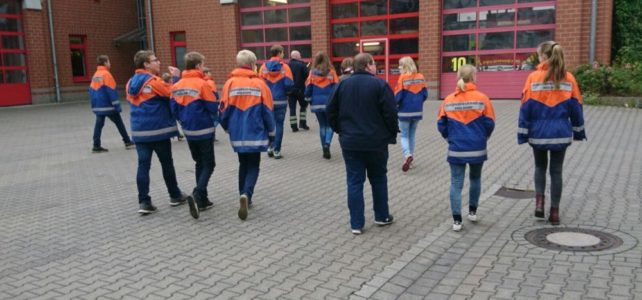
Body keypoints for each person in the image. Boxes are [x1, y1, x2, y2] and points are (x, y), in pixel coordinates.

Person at [327, 53, 398, 235]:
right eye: (374, 64)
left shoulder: (342, 84)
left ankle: (356, 224)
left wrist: (340, 130)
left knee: (354, 181)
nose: (376, 67)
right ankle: (381, 216)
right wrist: (391, 134)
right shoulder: (380, 85)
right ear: (367, 65)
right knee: (379, 179)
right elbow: (391, 113)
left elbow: (330, 111)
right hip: (376, 143)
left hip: (350, 142)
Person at [518, 41, 586, 225]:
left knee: (540, 167)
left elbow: (525, 108)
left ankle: (539, 203)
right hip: (560, 133)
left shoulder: (533, 78)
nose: (538, 58)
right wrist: (579, 131)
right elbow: (576, 108)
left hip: (538, 133)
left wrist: (522, 133)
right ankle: (554, 212)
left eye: (539, 55)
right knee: (556, 171)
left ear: (544, 57)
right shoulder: (569, 78)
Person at [126, 50, 191, 215]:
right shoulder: (154, 82)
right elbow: (174, 94)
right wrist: (176, 78)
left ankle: (144, 201)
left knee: (143, 165)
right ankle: (175, 195)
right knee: (166, 163)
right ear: (146, 64)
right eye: (155, 60)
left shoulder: (130, 83)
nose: (159, 62)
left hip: (139, 132)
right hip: (158, 131)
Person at [437, 64, 495, 232]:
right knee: (475, 179)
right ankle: (473, 212)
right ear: (474, 77)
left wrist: (449, 138)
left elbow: (441, 124)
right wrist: (483, 137)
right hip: (477, 147)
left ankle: (456, 220)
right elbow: (490, 122)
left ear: (458, 77)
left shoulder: (449, 99)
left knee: (456, 182)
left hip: (456, 148)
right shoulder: (482, 98)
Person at [220, 50, 275, 221]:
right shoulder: (260, 85)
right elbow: (267, 111)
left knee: (243, 164)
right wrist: (272, 133)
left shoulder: (229, 83)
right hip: (256, 131)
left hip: (237, 132)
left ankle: (241, 194)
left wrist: (227, 127)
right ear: (253, 64)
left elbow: (223, 110)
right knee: (254, 165)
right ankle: (247, 194)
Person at [170, 52, 218, 219]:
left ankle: (203, 200)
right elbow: (212, 106)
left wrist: (183, 121)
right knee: (209, 163)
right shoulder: (202, 84)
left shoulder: (177, 85)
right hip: (204, 129)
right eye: (203, 64)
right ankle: (198, 194)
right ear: (198, 65)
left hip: (188, 130)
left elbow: (173, 109)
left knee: (199, 162)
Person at [88, 55, 134, 153]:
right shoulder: (106, 74)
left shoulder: (96, 75)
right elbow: (111, 91)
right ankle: (127, 141)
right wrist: (117, 106)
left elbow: (91, 90)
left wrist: (93, 104)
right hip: (108, 105)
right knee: (119, 123)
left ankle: (96, 145)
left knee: (98, 125)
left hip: (98, 105)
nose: (110, 63)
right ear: (105, 63)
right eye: (109, 61)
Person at [258, 45, 294, 159]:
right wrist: (287, 92)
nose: (283, 55)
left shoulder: (263, 67)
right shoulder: (285, 67)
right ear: (279, 53)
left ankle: (270, 147)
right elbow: (289, 84)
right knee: (279, 125)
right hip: (281, 100)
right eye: (283, 52)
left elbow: (259, 84)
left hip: (267, 101)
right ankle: (277, 150)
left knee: (269, 124)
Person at [394, 57, 428, 172]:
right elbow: (425, 94)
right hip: (417, 111)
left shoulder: (402, 78)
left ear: (404, 66)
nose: (398, 67)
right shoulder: (421, 77)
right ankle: (410, 161)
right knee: (412, 135)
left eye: (400, 65)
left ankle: (407, 155)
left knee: (404, 135)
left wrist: (394, 105)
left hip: (404, 111)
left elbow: (398, 96)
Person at [305, 52, 339, 159]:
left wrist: (307, 99)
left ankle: (323, 147)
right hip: (329, 103)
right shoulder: (332, 73)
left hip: (316, 103)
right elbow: (336, 88)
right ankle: (327, 144)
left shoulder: (312, 73)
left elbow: (308, 88)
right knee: (330, 125)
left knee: (322, 126)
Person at [288, 50, 310, 132]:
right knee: (303, 106)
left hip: (290, 90)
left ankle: (293, 126)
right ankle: (303, 123)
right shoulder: (302, 65)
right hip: (301, 90)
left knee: (292, 108)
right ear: (297, 56)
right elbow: (307, 75)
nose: (301, 57)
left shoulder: (287, 65)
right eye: (300, 55)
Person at [162, 72, 185, 141]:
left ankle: (177, 134)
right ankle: (178, 134)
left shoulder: (163, 86)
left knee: (171, 121)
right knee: (178, 120)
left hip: (166, 107)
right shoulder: (172, 87)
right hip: (172, 107)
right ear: (170, 80)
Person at [203, 67, 221, 142]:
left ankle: (210, 135)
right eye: (209, 72)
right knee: (216, 119)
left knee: (209, 119)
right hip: (212, 103)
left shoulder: (201, 81)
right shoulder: (210, 82)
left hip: (205, 103)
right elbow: (214, 92)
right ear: (206, 73)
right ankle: (211, 134)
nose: (211, 74)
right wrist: (217, 100)